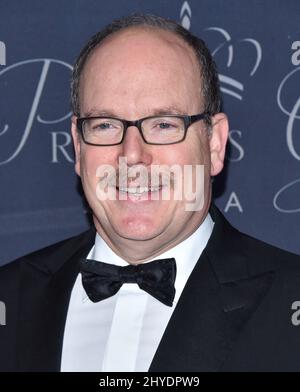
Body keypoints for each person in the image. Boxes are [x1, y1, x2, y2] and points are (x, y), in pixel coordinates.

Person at [1, 13, 300, 372]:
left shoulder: (289, 303)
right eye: (106, 125)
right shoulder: (10, 298)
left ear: (214, 144)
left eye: (163, 124)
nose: (132, 156)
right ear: (79, 149)